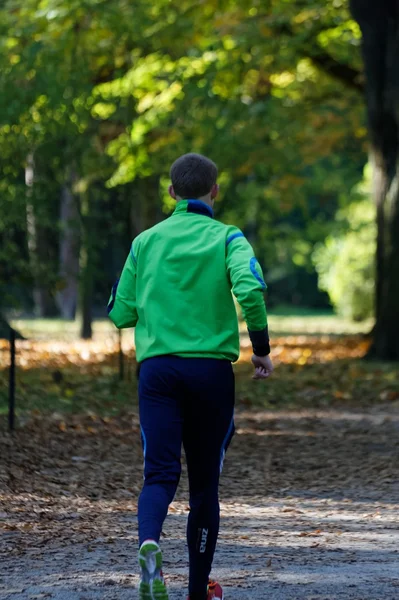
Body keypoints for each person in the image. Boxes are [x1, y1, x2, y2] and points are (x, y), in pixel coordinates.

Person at [108, 153, 273, 600]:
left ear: (171, 193)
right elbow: (251, 290)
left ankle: (149, 545)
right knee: (204, 485)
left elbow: (120, 312)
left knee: (158, 474)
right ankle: (197, 589)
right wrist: (261, 350)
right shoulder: (228, 238)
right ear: (214, 191)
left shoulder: (145, 241)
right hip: (210, 373)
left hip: (158, 372)